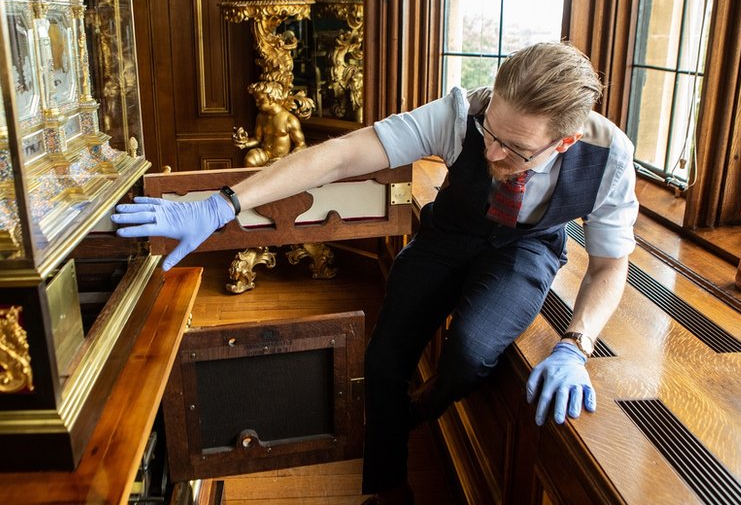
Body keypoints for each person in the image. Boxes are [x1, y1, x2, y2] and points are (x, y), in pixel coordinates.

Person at [113, 42, 637, 505]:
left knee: (470, 354)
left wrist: (576, 344)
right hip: (447, 236)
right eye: (490, 133)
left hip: (524, 248)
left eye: (516, 149)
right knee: (383, 362)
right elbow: (342, 155)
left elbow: (612, 265)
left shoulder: (609, 159)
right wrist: (223, 204)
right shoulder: (463, 111)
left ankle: (411, 413)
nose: (493, 151)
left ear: (564, 141)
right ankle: (390, 491)